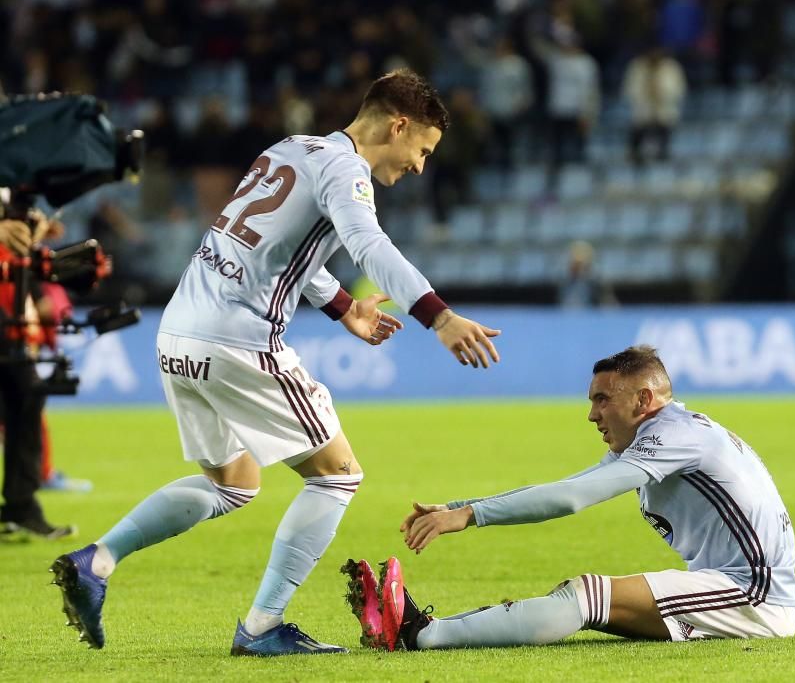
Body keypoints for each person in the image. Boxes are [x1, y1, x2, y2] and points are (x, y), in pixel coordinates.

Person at [51, 69, 501, 656]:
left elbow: (283, 248)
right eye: (422, 150)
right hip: (238, 340)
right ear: (397, 125)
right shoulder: (347, 170)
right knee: (338, 474)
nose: (419, 166)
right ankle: (262, 627)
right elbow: (370, 245)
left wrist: (343, 307)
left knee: (233, 484)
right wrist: (439, 316)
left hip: (179, 333)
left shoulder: (291, 151)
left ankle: (97, 560)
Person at [345, 345, 795, 650]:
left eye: (603, 400)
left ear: (643, 399)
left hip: (754, 594)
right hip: (726, 585)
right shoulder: (660, 436)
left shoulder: (675, 436)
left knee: (586, 595)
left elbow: (571, 499)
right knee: (590, 601)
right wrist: (460, 505)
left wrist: (469, 516)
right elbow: (563, 488)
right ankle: (419, 632)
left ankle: (421, 635)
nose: (591, 414)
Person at [0, 207, 76, 540]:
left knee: (27, 394)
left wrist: (34, 232)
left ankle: (20, 506)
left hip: (10, 310)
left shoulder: (13, 188)